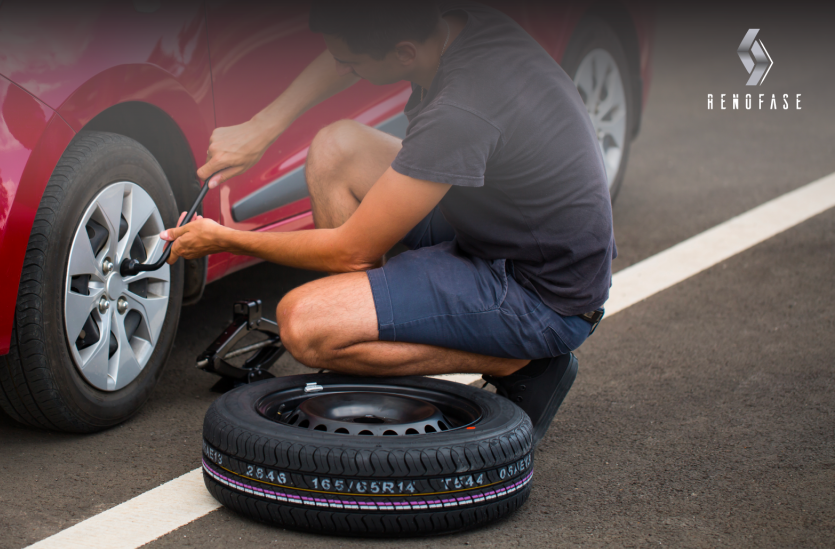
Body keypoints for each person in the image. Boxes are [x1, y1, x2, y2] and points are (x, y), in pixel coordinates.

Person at [160, 1, 615, 444]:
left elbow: (349, 249)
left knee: (303, 324)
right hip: (494, 219)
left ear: (403, 54)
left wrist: (226, 238)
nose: (345, 66)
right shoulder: (448, 21)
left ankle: (526, 365)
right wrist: (262, 128)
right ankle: (372, 326)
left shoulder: (462, 107)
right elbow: (345, 48)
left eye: (353, 63)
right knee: (336, 149)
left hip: (540, 294)